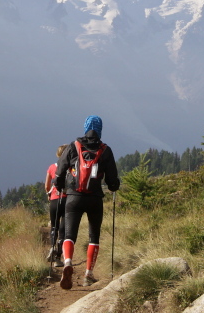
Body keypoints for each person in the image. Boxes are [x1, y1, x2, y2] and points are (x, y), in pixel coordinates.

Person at [55, 115, 120, 289]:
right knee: (94, 236)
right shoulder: (105, 150)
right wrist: (113, 186)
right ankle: (88, 274)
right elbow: (113, 182)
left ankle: (67, 262)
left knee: (69, 235)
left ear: (85, 127)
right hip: (95, 199)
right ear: (100, 129)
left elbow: (59, 172)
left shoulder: (73, 146)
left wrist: (60, 186)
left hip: (74, 197)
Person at [44, 144, 68, 267]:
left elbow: (46, 185)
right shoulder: (71, 167)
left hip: (54, 199)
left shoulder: (52, 167)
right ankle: (58, 258)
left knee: (54, 227)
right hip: (67, 200)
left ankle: (52, 246)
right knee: (63, 229)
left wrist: (49, 194)